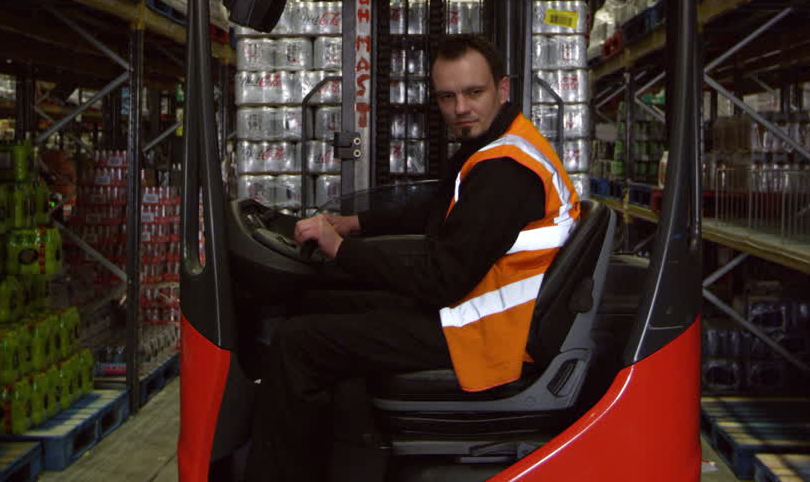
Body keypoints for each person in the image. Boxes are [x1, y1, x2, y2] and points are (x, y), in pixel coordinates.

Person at [243, 35, 580, 482]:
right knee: (321, 304)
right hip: (481, 311)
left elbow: (440, 280)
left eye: (473, 93)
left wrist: (341, 250)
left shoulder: (506, 171)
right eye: (447, 96)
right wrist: (354, 224)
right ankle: (349, 454)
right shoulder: (499, 144)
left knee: (296, 342)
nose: (460, 107)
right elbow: (438, 210)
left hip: (487, 333)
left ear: (502, 89)